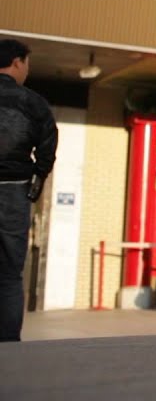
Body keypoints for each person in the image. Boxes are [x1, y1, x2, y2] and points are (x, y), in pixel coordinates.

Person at [0, 39, 57, 342]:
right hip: (14, 191)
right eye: (27, 64)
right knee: (10, 275)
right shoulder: (33, 102)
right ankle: (8, 346)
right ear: (17, 62)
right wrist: (37, 181)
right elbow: (47, 147)